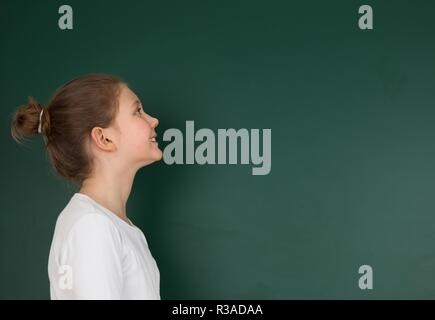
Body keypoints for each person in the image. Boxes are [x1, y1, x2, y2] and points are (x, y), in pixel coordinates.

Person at [10, 73, 162, 299]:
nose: (153, 120)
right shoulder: (93, 227)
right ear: (104, 138)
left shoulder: (112, 226)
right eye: (137, 111)